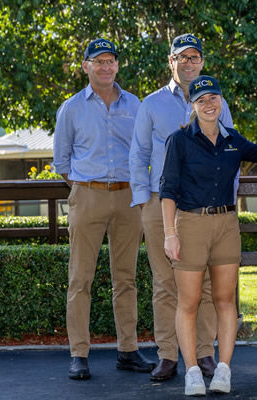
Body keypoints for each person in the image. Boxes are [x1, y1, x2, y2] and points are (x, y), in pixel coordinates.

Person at [130, 33, 234, 381]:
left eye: (195, 57)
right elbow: (139, 155)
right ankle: (168, 355)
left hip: (205, 209)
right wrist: (145, 200)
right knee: (165, 283)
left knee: (204, 284)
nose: (189, 62)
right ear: (170, 62)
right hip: (164, 206)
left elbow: (231, 151)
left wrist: (227, 196)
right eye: (182, 57)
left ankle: (203, 353)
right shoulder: (152, 104)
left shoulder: (217, 102)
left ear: (201, 62)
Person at [160, 75, 257, 396]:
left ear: (221, 101)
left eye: (213, 98)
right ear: (192, 105)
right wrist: (170, 234)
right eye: (201, 99)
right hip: (191, 224)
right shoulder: (179, 141)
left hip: (226, 226)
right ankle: (192, 371)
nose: (209, 104)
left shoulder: (233, 139)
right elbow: (167, 191)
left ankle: (223, 369)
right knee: (189, 302)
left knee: (225, 301)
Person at [54, 38, 156, 380]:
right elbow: (62, 163)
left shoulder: (136, 105)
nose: (105, 67)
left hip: (128, 199)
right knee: (80, 279)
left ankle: (128, 350)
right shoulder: (71, 109)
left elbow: (143, 151)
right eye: (98, 61)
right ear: (86, 66)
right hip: (88, 196)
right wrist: (88, 189)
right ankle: (79, 354)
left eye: (111, 61)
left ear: (117, 66)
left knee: (125, 278)